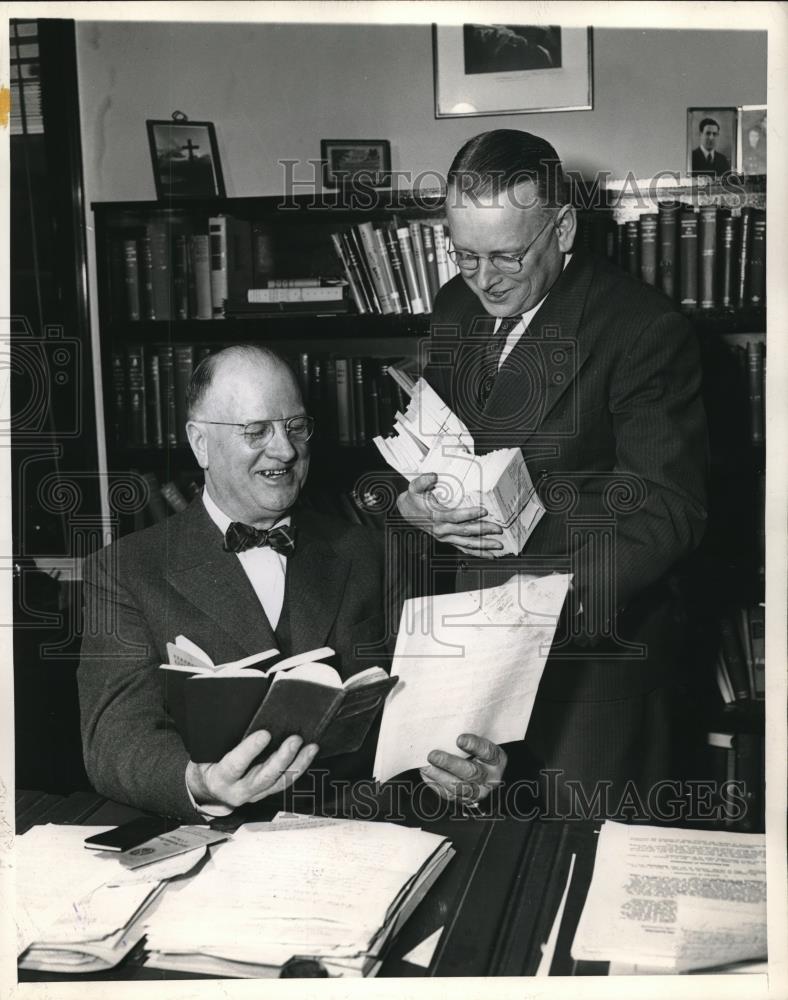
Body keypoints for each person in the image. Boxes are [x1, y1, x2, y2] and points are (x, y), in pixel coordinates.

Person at [395, 129, 708, 816]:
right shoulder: (455, 306)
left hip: (590, 667)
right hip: (467, 657)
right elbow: (436, 443)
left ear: (562, 228)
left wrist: (538, 614)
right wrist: (411, 505)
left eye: (507, 255)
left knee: (587, 884)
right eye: (466, 254)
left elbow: (668, 511)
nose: (485, 279)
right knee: (478, 872)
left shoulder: (642, 329)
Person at [78, 345, 506, 821]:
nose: (284, 450)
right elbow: (115, 738)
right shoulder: (123, 571)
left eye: (296, 426)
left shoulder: (372, 550)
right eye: (256, 431)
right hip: (218, 850)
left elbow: (423, 720)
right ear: (200, 443)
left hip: (362, 835)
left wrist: (459, 770)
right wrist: (200, 783)